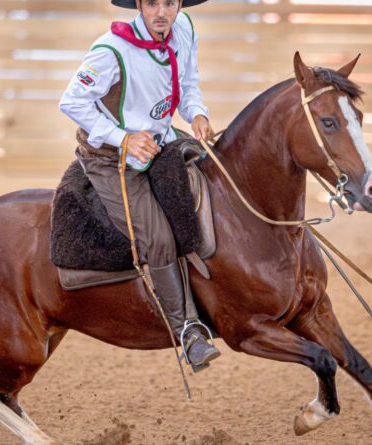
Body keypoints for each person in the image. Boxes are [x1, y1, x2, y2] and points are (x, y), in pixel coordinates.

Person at [59, 0, 220, 369]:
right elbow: (72, 101)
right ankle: (187, 331)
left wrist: (197, 112)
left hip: (161, 141)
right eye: (151, 3)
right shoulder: (111, 51)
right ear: (140, 6)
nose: (160, 12)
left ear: (179, 5)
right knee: (159, 238)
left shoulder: (184, 29)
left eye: (169, 2)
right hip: (110, 157)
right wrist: (122, 138)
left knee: (209, 188)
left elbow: (189, 82)